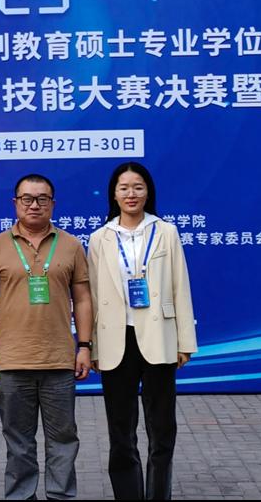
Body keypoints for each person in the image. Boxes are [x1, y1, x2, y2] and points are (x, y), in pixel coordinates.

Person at [0, 173, 93, 500]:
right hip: (12, 362)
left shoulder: (71, 245)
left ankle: (61, 496)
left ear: (53, 204)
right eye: (26, 198)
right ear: (15, 203)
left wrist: (84, 346)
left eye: (42, 199)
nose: (34, 205)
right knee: (18, 443)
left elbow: (83, 299)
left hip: (59, 362)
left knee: (63, 440)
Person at [87, 162, 197, 501]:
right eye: (124, 188)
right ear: (114, 194)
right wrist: (92, 346)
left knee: (162, 428)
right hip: (115, 340)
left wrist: (184, 341)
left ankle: (158, 494)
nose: (131, 194)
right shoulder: (100, 238)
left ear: (148, 192)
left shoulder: (166, 232)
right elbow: (93, 295)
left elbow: (180, 287)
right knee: (121, 429)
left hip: (159, 338)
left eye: (138, 187)